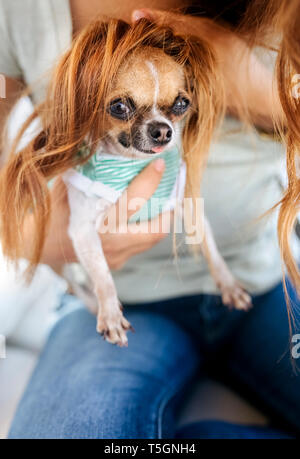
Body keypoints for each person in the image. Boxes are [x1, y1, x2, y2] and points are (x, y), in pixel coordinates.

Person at [0, 0, 298, 439]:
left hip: (259, 282)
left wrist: (247, 81)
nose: (161, 130)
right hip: (124, 304)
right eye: (122, 108)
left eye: (178, 107)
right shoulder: (22, 12)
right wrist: (35, 240)